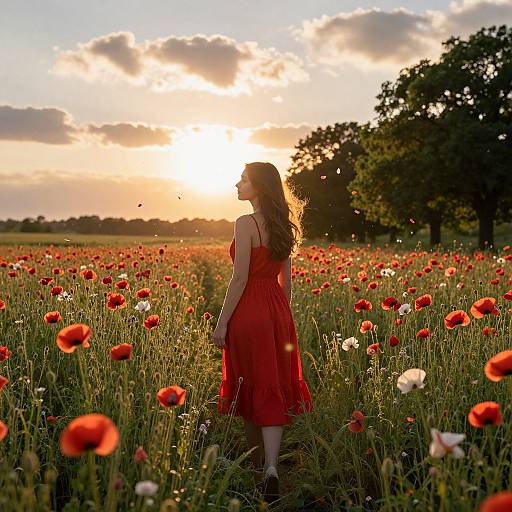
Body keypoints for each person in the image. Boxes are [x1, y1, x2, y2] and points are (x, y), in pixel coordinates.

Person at [212, 162, 313, 503]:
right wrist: (281, 318)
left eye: (243, 179)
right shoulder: (283, 224)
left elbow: (239, 278)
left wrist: (223, 321)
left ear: (258, 186)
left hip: (249, 310)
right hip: (276, 312)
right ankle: (269, 467)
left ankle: (257, 466)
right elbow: (286, 283)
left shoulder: (245, 223)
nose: (237, 184)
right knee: (272, 384)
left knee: (249, 383)